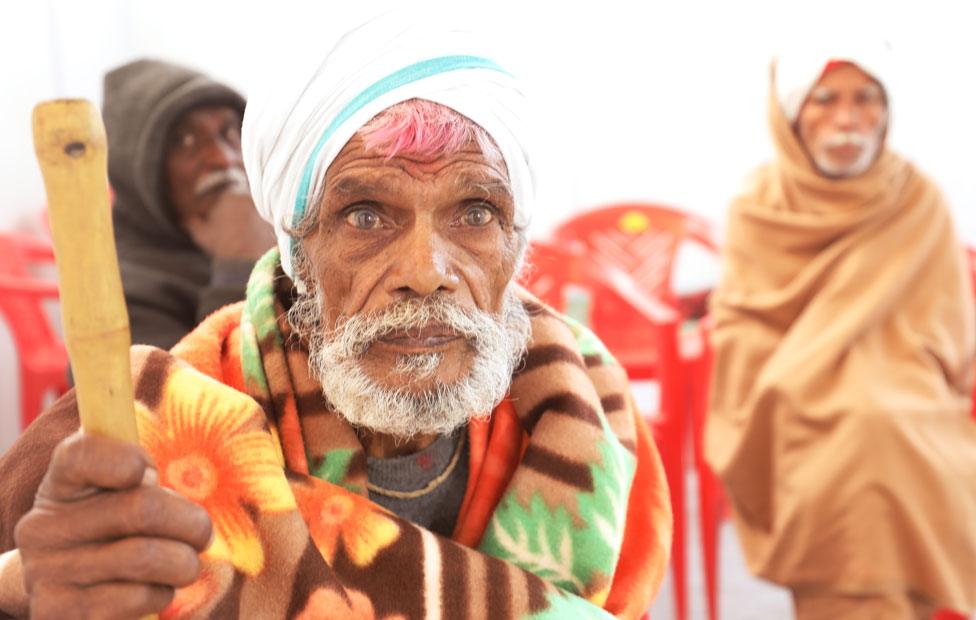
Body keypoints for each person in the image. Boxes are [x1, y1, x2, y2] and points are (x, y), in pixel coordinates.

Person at [0, 15, 671, 620]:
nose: (427, 269)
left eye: (475, 212)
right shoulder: (145, 425)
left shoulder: (590, 412)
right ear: (297, 249)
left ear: (515, 245)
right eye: (365, 215)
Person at [706, 42, 976, 619]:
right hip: (780, 383)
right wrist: (801, 373)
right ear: (793, 114)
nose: (848, 119)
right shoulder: (759, 203)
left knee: (881, 426)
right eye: (825, 100)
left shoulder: (916, 196)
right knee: (849, 432)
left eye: (866, 99)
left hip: (904, 373)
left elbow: (947, 323)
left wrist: (888, 367)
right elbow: (744, 320)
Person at [104, 59, 275, 349]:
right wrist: (239, 263)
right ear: (138, 173)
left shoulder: (273, 225)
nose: (223, 158)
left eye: (229, 133)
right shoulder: (118, 297)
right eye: (185, 141)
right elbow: (184, 392)